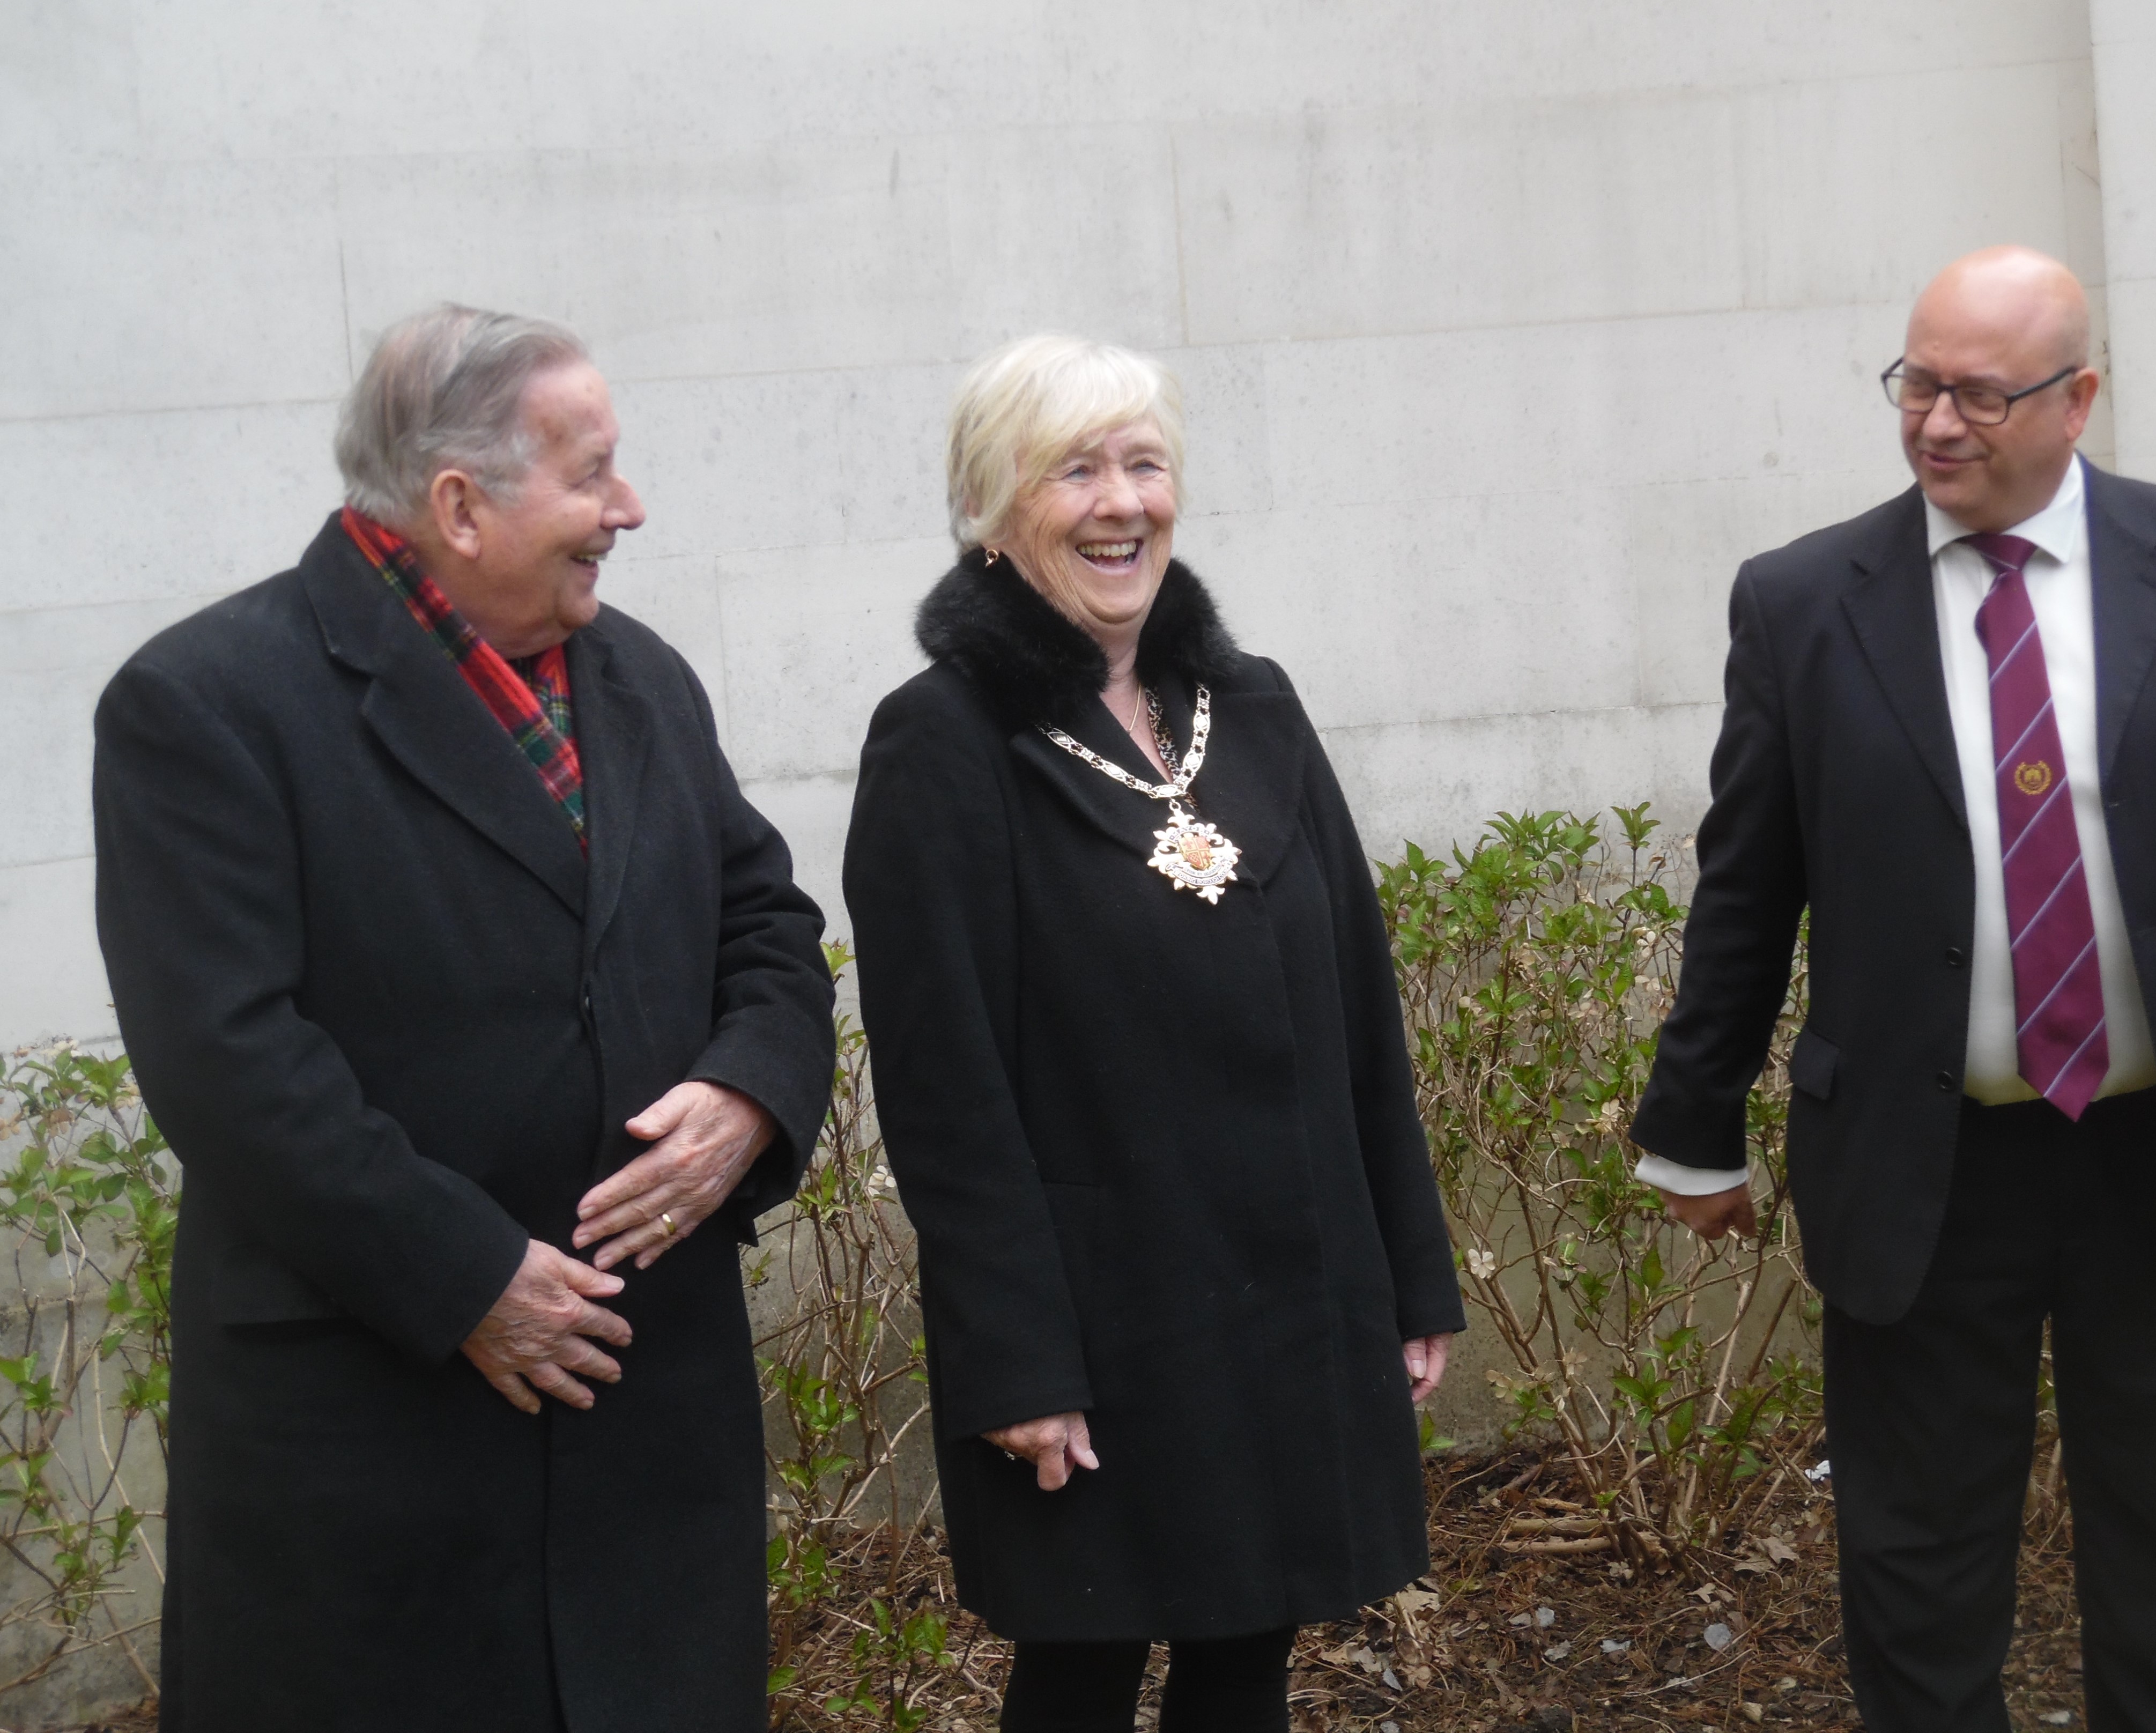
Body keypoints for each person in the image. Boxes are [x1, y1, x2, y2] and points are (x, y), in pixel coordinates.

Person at [92, 304, 837, 1732]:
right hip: (377, 1436)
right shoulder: (206, 704)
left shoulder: (641, 680)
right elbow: (225, 1055)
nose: (630, 508)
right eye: (592, 472)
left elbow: (768, 927)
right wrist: (464, 1276)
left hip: (645, 1429)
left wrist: (749, 1090)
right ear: (458, 504)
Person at [1630, 246, 2156, 1731]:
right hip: (1919, 1157)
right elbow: (1747, 881)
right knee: (1918, 1560)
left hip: (2155, 1154)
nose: (1935, 423)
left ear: (2077, 399)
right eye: (1915, 382)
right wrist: (1691, 1123)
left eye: (1978, 392)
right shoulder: (1802, 601)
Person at [842, 335, 1464, 1732]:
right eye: (1075, 470)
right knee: (1084, 1663)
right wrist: (1013, 1354)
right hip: (1098, 1318)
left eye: (1143, 463)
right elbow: (944, 1092)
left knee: (1249, 1650)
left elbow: (1358, 1005)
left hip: (1288, 1292)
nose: (1121, 502)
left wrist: (1407, 1271)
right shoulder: (940, 744)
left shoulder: (1252, 705)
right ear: (994, 513)